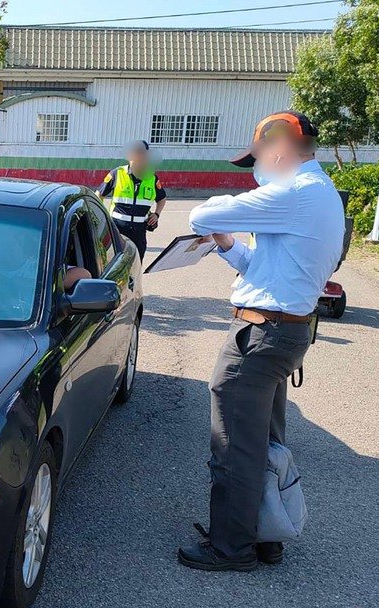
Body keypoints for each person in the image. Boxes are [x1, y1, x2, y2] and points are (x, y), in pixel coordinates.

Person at [179, 111, 345, 572]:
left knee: (234, 443)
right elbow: (267, 270)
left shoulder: (294, 192)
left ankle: (231, 547)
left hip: (262, 335)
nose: (256, 169)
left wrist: (219, 222)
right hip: (283, 328)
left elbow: (200, 212)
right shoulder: (319, 194)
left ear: (278, 149)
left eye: (257, 158)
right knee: (263, 440)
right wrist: (230, 245)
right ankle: (266, 532)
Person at [99, 140, 166, 259]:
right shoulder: (117, 174)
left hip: (139, 231)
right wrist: (101, 218)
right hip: (117, 229)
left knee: (136, 264)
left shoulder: (151, 177)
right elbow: (99, 195)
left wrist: (156, 214)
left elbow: (162, 199)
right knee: (113, 263)